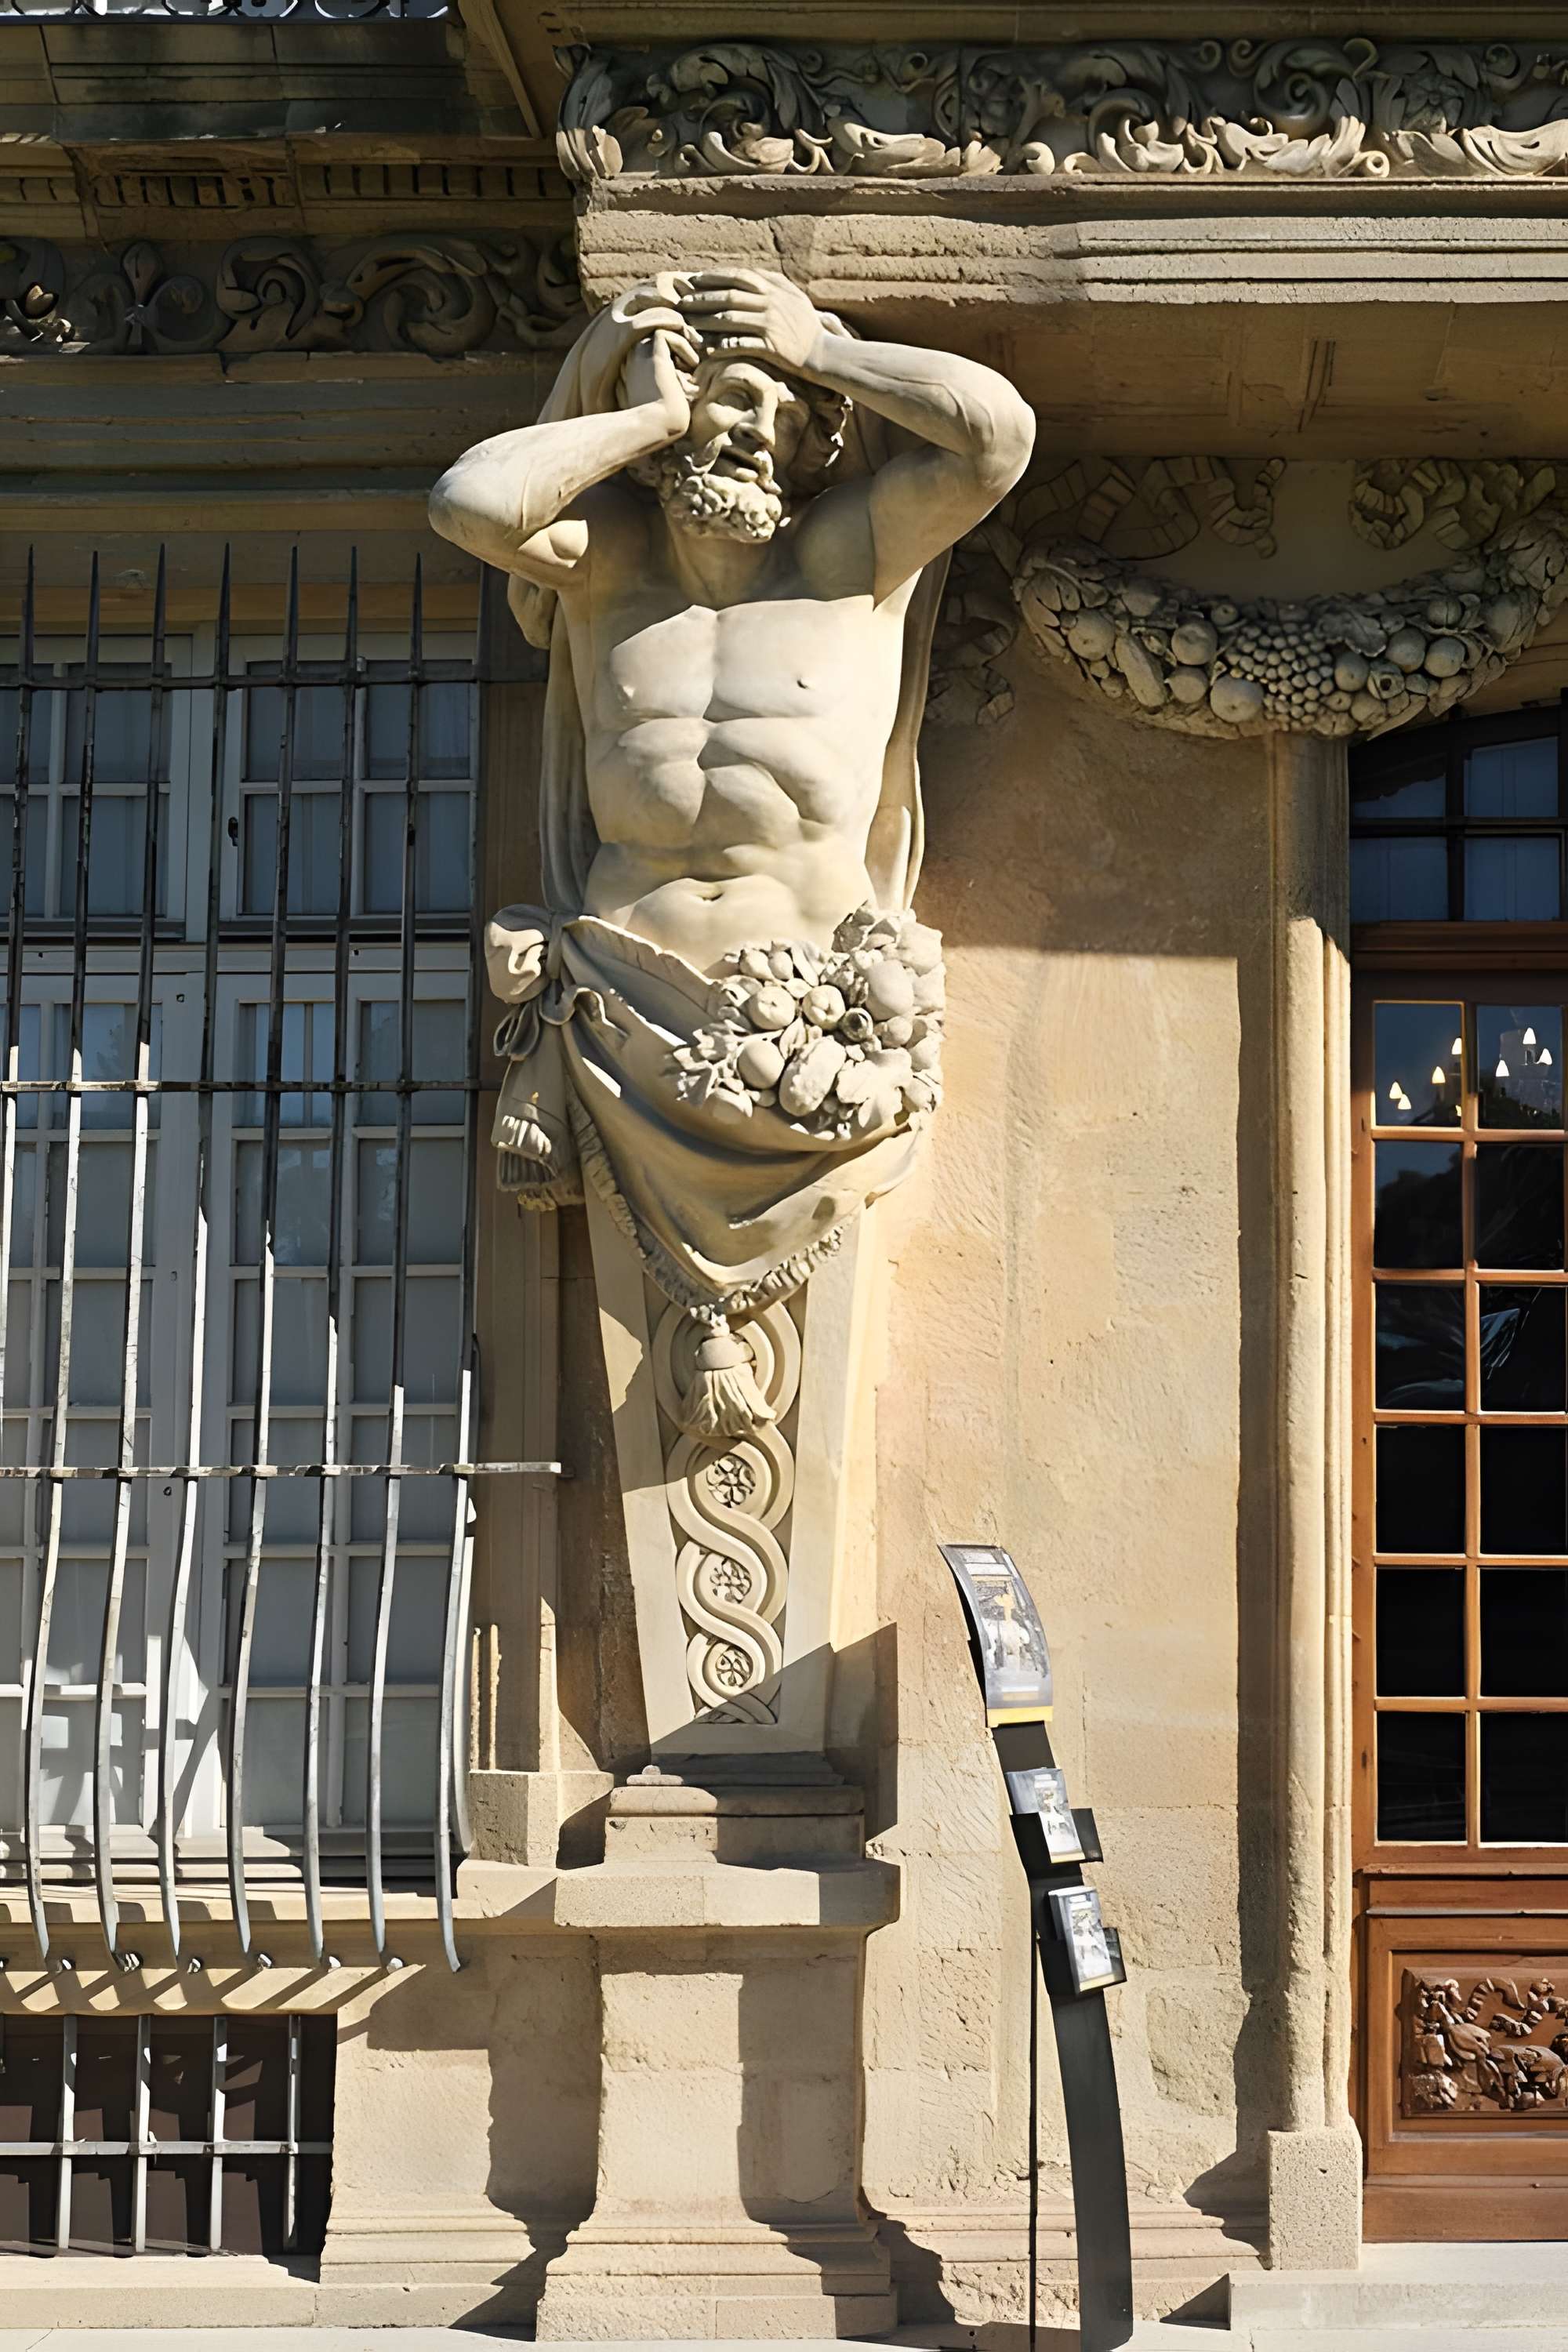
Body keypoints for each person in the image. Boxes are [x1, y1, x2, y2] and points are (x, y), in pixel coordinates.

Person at [427, 270, 1033, 1438]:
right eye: (716, 402)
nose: (744, 427)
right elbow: (470, 503)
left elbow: (996, 439)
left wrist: (821, 346)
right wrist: (635, 408)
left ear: (815, 442)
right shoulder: (605, 564)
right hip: (619, 1010)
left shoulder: (853, 562)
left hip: (814, 1030)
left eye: (773, 410)